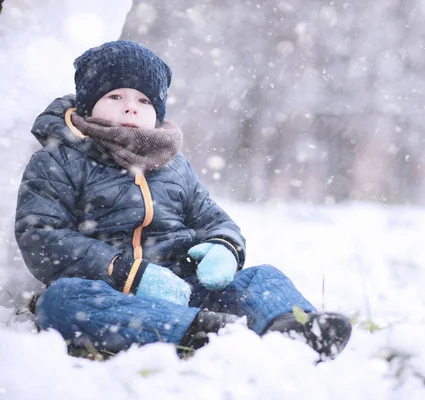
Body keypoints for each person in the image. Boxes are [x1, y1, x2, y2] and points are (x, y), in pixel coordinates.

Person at [14, 40, 351, 360]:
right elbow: (42, 236)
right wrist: (127, 273)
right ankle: (200, 332)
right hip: (110, 292)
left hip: (183, 287)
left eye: (145, 100)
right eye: (115, 95)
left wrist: (224, 246)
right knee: (60, 302)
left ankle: (294, 331)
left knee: (259, 277)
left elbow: (212, 218)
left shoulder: (173, 165)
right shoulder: (58, 160)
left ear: (158, 112)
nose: (131, 106)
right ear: (88, 103)